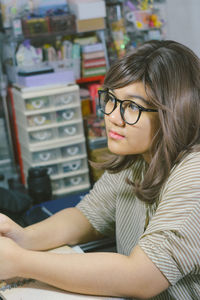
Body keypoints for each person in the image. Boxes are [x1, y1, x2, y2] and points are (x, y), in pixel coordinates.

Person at [0, 40, 200, 300]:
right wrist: (24, 237)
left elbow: (140, 277)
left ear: (174, 114)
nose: (113, 117)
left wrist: (20, 261)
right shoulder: (138, 158)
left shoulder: (194, 176)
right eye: (111, 99)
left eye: (132, 107)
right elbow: (88, 216)